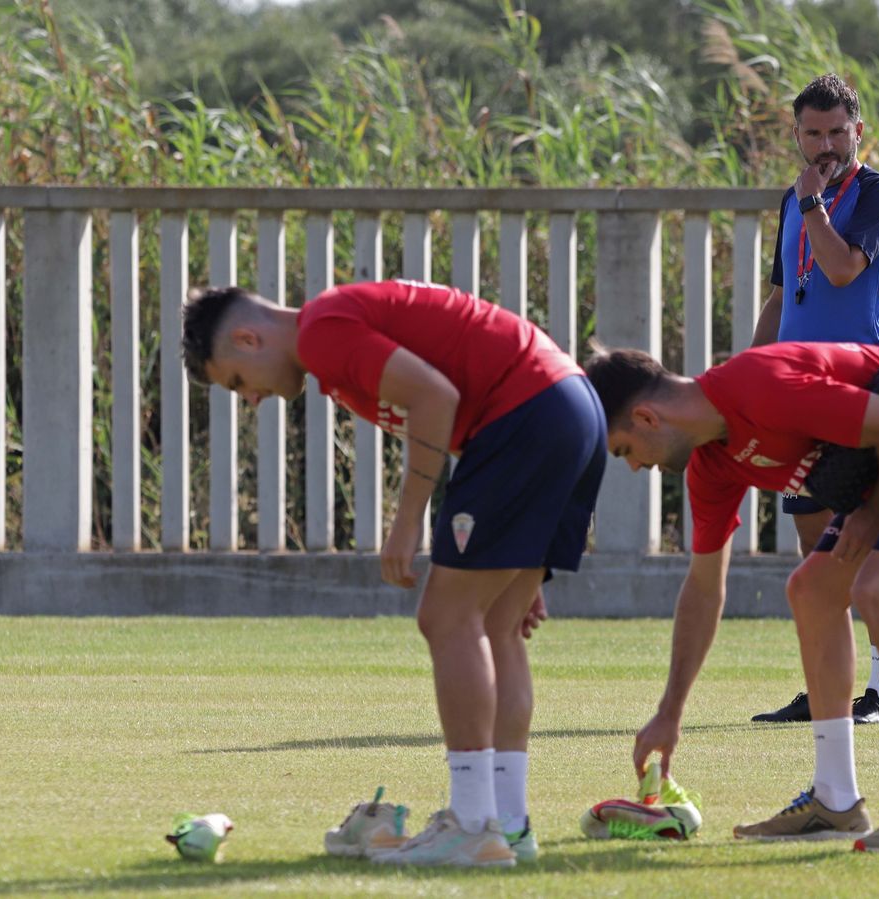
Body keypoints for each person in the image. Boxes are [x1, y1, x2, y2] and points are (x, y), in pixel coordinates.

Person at [182, 279, 605, 868]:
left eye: (236, 382)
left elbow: (434, 397)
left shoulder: (322, 330)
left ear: (248, 339)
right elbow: (460, 398)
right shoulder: (330, 337)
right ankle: (508, 826)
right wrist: (508, 547)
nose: (250, 398)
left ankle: (472, 824)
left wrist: (408, 521)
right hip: (569, 408)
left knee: (446, 618)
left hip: (530, 414)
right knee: (496, 624)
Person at [586, 339, 879, 851]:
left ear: (645, 418)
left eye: (623, 451)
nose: (633, 466)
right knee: (812, 591)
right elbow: (704, 589)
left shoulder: (760, 385)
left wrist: (875, 511)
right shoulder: (712, 464)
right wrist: (669, 711)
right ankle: (835, 800)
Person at [749, 72, 879, 726]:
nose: (825, 146)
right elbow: (780, 296)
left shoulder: (878, 194)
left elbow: (842, 269)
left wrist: (814, 204)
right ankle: (826, 690)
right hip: (796, 391)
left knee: (860, 545)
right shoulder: (794, 200)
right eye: (812, 133)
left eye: (837, 132)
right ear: (796, 134)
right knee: (815, 544)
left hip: (854, 387)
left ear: (857, 131)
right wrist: (750, 374)